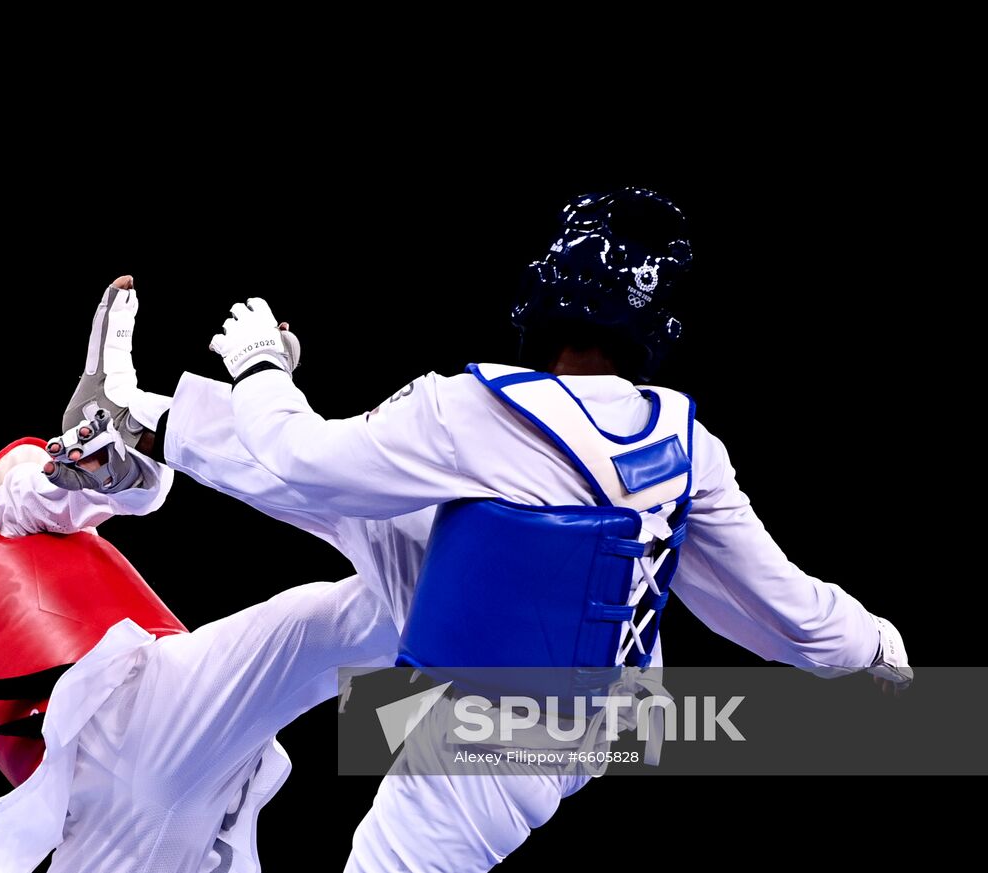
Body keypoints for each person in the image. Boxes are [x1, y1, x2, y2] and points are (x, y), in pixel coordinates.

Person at [140, 187, 912, 871]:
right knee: (385, 517)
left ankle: (146, 429)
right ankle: (143, 425)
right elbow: (785, 611)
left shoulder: (471, 412)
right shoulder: (688, 448)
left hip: (498, 740)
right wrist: (876, 645)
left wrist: (262, 368)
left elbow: (299, 455)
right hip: (611, 713)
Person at [0, 277, 398, 873]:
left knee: (355, 616)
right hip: (103, 826)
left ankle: (491, 760)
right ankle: (478, 762)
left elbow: (51, 488)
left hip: (164, 704)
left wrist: (102, 472)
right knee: (357, 638)